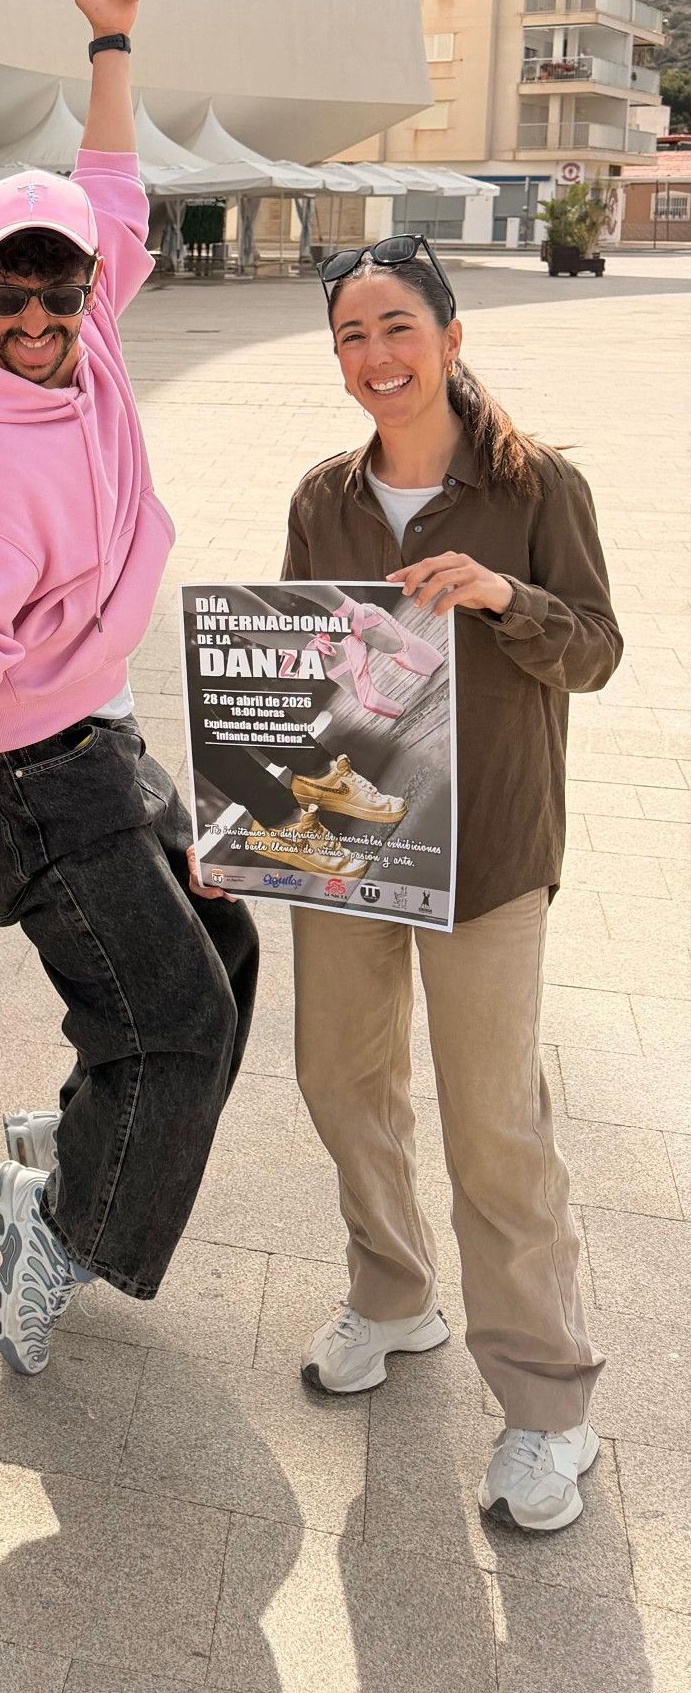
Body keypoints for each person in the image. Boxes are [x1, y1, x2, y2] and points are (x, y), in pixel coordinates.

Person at [0, 0, 258, 1376]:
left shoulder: (93, 330)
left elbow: (113, 191)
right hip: (18, 773)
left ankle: (75, 1132)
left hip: (98, 731)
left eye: (58, 291)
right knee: (170, 1021)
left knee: (222, 947)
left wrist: (110, 45)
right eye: (12, 297)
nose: (39, 320)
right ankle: (56, 1219)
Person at [285, 233, 620, 1534]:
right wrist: (251, 817)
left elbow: (595, 650)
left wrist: (504, 598)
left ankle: (548, 1410)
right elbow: (307, 672)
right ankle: (392, 1294)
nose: (375, 358)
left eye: (396, 329)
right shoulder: (326, 498)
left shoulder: (537, 488)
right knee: (341, 1080)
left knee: (495, 1124)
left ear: (450, 335)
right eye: (352, 337)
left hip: (486, 853)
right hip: (354, 840)